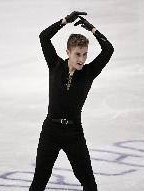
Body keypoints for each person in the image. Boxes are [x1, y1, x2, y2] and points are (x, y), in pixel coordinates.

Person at [29, 11, 114, 191]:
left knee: (89, 183)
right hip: (50, 131)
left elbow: (109, 49)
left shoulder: (89, 73)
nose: (82, 59)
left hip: (73, 133)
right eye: (77, 54)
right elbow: (44, 37)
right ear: (68, 52)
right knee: (39, 182)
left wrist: (92, 29)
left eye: (85, 54)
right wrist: (65, 21)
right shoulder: (55, 65)